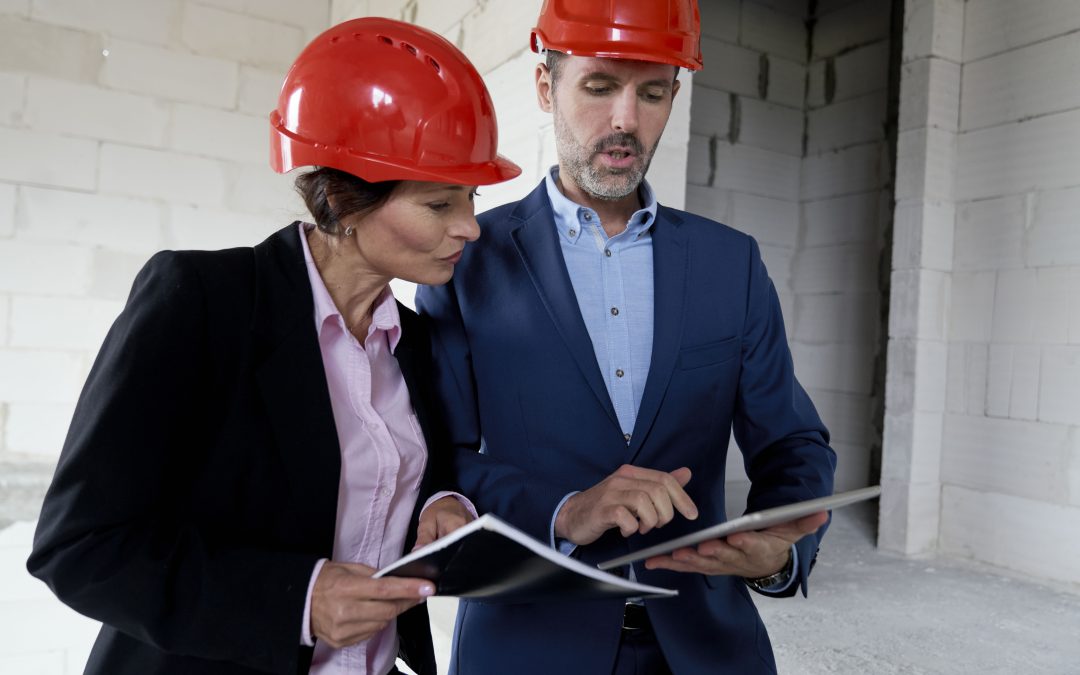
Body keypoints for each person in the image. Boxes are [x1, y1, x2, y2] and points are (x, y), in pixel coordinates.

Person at [27, 17, 520, 675]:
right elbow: (81, 546)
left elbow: (379, 479)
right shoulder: (202, 302)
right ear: (345, 203)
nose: (470, 227)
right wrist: (300, 600)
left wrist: (437, 506)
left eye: (471, 198)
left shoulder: (413, 338)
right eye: (438, 205)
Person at [415, 1, 837, 673]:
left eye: (651, 92)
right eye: (600, 85)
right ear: (547, 87)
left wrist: (781, 545)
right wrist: (567, 510)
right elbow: (437, 461)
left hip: (704, 644)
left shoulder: (732, 265)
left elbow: (792, 443)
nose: (625, 121)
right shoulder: (465, 258)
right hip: (527, 645)